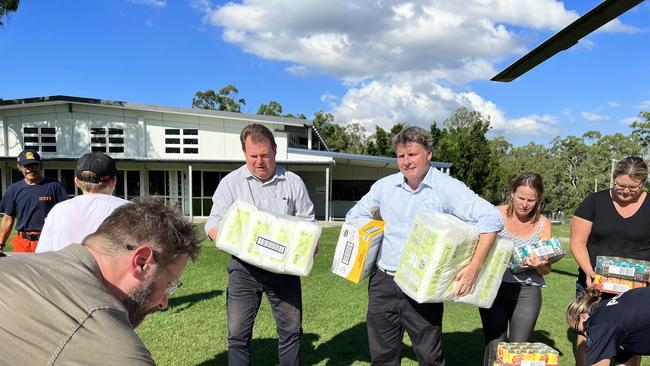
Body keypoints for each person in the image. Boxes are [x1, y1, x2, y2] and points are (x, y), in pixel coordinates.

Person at [345, 126, 503, 365]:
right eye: (401, 156)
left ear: (429, 154)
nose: (406, 162)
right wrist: (373, 233)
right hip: (383, 281)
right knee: (382, 356)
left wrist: (474, 266)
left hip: (423, 284)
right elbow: (354, 215)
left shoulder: (447, 188)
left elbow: (492, 218)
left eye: (412, 154)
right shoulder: (384, 187)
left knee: (429, 356)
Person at [0, 198, 202, 365]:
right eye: (169, 284)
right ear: (142, 262)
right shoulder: (119, 352)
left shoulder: (12, 263)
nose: (164, 302)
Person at [205, 123, 315, 366]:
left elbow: (307, 222)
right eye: (253, 156)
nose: (259, 161)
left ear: (275, 151)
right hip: (244, 270)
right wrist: (219, 236)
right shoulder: (231, 183)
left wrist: (309, 245)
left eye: (265, 155)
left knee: (291, 332)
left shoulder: (293, 182)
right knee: (237, 335)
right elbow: (213, 221)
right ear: (244, 154)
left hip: (284, 272)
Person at [570, 156, 650, 365]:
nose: (625, 191)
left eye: (633, 187)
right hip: (595, 284)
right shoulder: (594, 202)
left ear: (643, 182)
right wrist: (588, 271)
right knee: (591, 339)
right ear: (613, 178)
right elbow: (578, 241)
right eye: (620, 185)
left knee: (630, 345)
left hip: (637, 291)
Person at [479, 172, 553, 366]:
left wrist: (540, 265)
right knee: (495, 347)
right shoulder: (495, 214)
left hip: (527, 290)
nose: (525, 204)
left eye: (531, 200)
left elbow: (546, 270)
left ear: (538, 200)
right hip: (495, 287)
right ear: (512, 193)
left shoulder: (543, 224)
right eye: (521, 197)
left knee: (519, 350)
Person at [37, 152, 128, 252]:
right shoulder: (129, 210)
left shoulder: (57, 211)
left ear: (77, 182)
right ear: (113, 182)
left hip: (65, 267)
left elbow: (43, 253)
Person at [0, 149, 68, 253]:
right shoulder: (13, 189)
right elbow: (8, 219)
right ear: (19, 167)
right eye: (26, 166)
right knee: (19, 269)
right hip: (22, 244)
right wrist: (1, 243)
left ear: (41, 166)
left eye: (34, 165)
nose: (30, 169)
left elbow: (65, 215)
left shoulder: (54, 186)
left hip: (48, 242)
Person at [566, 287, 650, 366]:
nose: (582, 334)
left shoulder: (599, 326)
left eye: (578, 330)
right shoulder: (605, 308)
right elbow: (628, 354)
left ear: (583, 317)